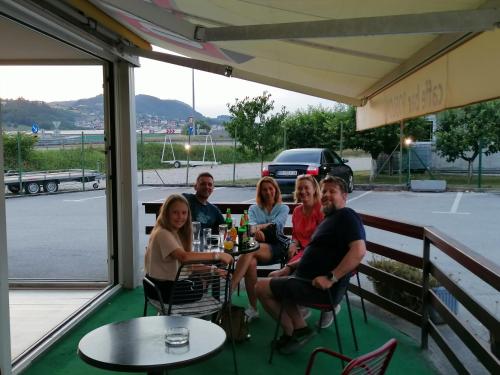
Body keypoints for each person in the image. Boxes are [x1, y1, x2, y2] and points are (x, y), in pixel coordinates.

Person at [256, 176, 366, 355]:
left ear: (344, 196)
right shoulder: (330, 220)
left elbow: (359, 250)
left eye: (332, 191)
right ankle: (299, 330)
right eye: (324, 191)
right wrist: (289, 268)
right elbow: (312, 253)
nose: (326, 195)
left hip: (318, 288)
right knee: (276, 278)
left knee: (260, 287)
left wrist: (332, 277)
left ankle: (295, 329)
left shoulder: (346, 215)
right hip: (302, 278)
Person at [268, 174, 333, 328]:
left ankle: (327, 305)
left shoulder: (320, 210)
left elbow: (322, 240)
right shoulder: (297, 211)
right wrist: (292, 244)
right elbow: (296, 235)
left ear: (314, 190)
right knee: (287, 274)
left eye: (306, 188)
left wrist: (305, 250)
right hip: (301, 250)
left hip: (317, 251)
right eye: (300, 188)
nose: (303, 191)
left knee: (295, 272)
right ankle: (300, 306)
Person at [144, 194, 233, 303]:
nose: (180, 217)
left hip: (163, 286)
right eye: (175, 212)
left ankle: (197, 315)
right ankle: (208, 315)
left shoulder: (174, 232)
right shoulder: (162, 233)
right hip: (162, 289)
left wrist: (214, 270)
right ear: (166, 213)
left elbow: (187, 265)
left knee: (204, 278)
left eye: (184, 213)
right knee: (202, 283)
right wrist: (218, 255)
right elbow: (184, 257)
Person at [230, 176, 289, 321]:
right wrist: (258, 229)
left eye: (271, 189)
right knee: (250, 262)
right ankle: (253, 308)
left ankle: (229, 288)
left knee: (250, 249)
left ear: (275, 190)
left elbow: (277, 225)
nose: (268, 192)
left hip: (277, 246)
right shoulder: (253, 208)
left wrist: (260, 228)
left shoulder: (283, 208)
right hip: (256, 247)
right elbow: (251, 228)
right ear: (260, 192)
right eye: (264, 190)